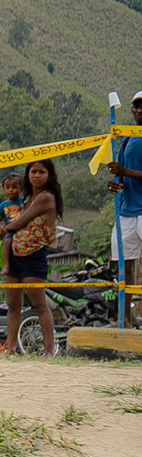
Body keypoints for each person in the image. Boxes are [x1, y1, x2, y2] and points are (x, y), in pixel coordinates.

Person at [0, 158, 62, 356]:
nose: (37, 175)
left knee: (39, 304)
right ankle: (10, 348)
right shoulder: (25, 200)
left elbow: (21, 221)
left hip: (33, 254)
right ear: (27, 175)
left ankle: (48, 351)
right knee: (13, 304)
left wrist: (6, 228)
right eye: (33, 171)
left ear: (49, 176)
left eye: (41, 172)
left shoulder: (46, 198)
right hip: (15, 253)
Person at [106, 90, 142, 327]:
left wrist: (126, 172)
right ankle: (125, 320)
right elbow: (120, 173)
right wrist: (115, 183)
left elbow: (126, 170)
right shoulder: (127, 138)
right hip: (127, 211)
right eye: (136, 106)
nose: (139, 110)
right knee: (123, 266)